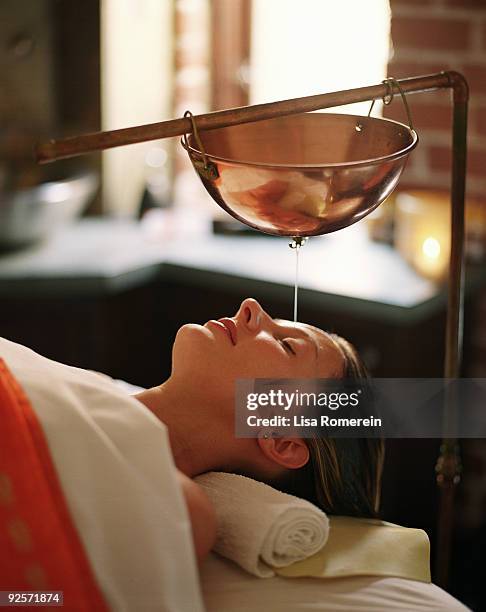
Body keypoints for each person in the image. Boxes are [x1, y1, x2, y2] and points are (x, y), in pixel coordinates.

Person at [135, 297, 385, 556]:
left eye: (286, 345)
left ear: (281, 441)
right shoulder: (96, 389)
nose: (250, 306)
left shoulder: (172, 512)